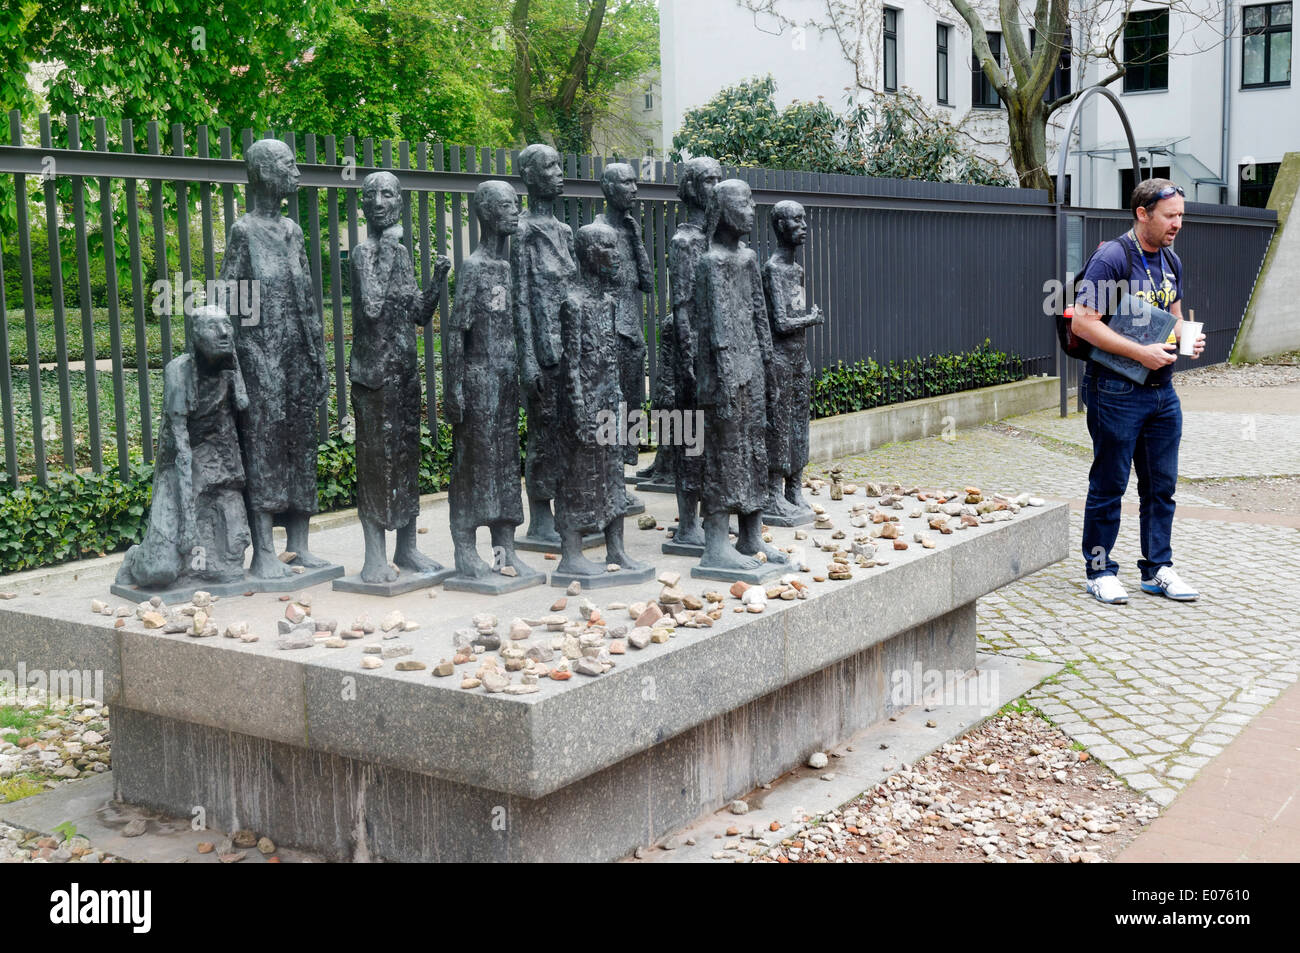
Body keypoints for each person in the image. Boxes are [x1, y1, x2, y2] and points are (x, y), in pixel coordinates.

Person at [1071, 177, 1206, 605]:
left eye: (1181, 215)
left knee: (1161, 485)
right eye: (1170, 216)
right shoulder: (1112, 257)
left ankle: (1157, 569)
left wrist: (1187, 338)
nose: (1178, 224)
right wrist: (1140, 353)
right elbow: (1083, 323)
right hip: (1115, 389)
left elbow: (1173, 316)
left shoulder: (1171, 261)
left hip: (1162, 391)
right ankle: (1099, 569)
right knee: (1109, 484)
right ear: (1142, 214)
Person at [219, 138, 330, 579]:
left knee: (301, 446)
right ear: (265, 173)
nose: (296, 173)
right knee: (263, 449)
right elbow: (227, 299)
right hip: (260, 357)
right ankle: (264, 551)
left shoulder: (293, 231)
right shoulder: (243, 232)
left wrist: (317, 355)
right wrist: (237, 365)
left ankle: (299, 545)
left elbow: (305, 298)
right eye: (288, 165)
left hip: (297, 358)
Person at [348, 171, 451, 584]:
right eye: (370, 195)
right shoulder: (362, 253)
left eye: (387, 194)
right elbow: (371, 307)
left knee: (407, 458)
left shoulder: (401, 253)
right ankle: (374, 555)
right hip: (373, 377)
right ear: (363, 206)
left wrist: (438, 279)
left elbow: (419, 314)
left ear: (399, 203)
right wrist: (391, 248)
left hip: (404, 373)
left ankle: (406, 548)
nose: (378, 201)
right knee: (375, 462)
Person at [116, 305, 250, 590]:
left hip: (219, 466)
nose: (224, 333)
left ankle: (200, 567)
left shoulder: (231, 372)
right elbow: (180, 447)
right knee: (159, 571)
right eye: (214, 327)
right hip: (180, 469)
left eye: (227, 324)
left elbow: (233, 436)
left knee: (232, 561)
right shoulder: (179, 372)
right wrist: (187, 521)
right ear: (196, 335)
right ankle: (135, 559)